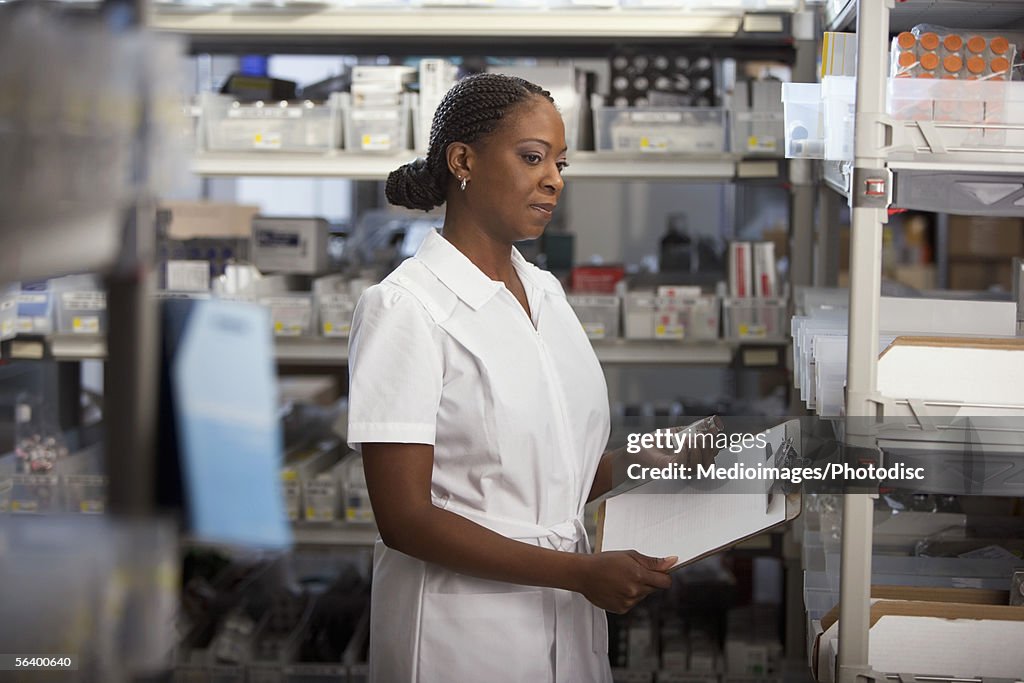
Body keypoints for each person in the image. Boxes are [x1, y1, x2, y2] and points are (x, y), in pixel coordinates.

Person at [347, 73, 680, 683]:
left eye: (560, 162)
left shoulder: (545, 292)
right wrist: (579, 573)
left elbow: (559, 463)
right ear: (463, 161)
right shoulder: (406, 309)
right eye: (532, 157)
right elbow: (404, 519)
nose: (554, 178)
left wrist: (665, 466)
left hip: (568, 620)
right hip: (463, 639)